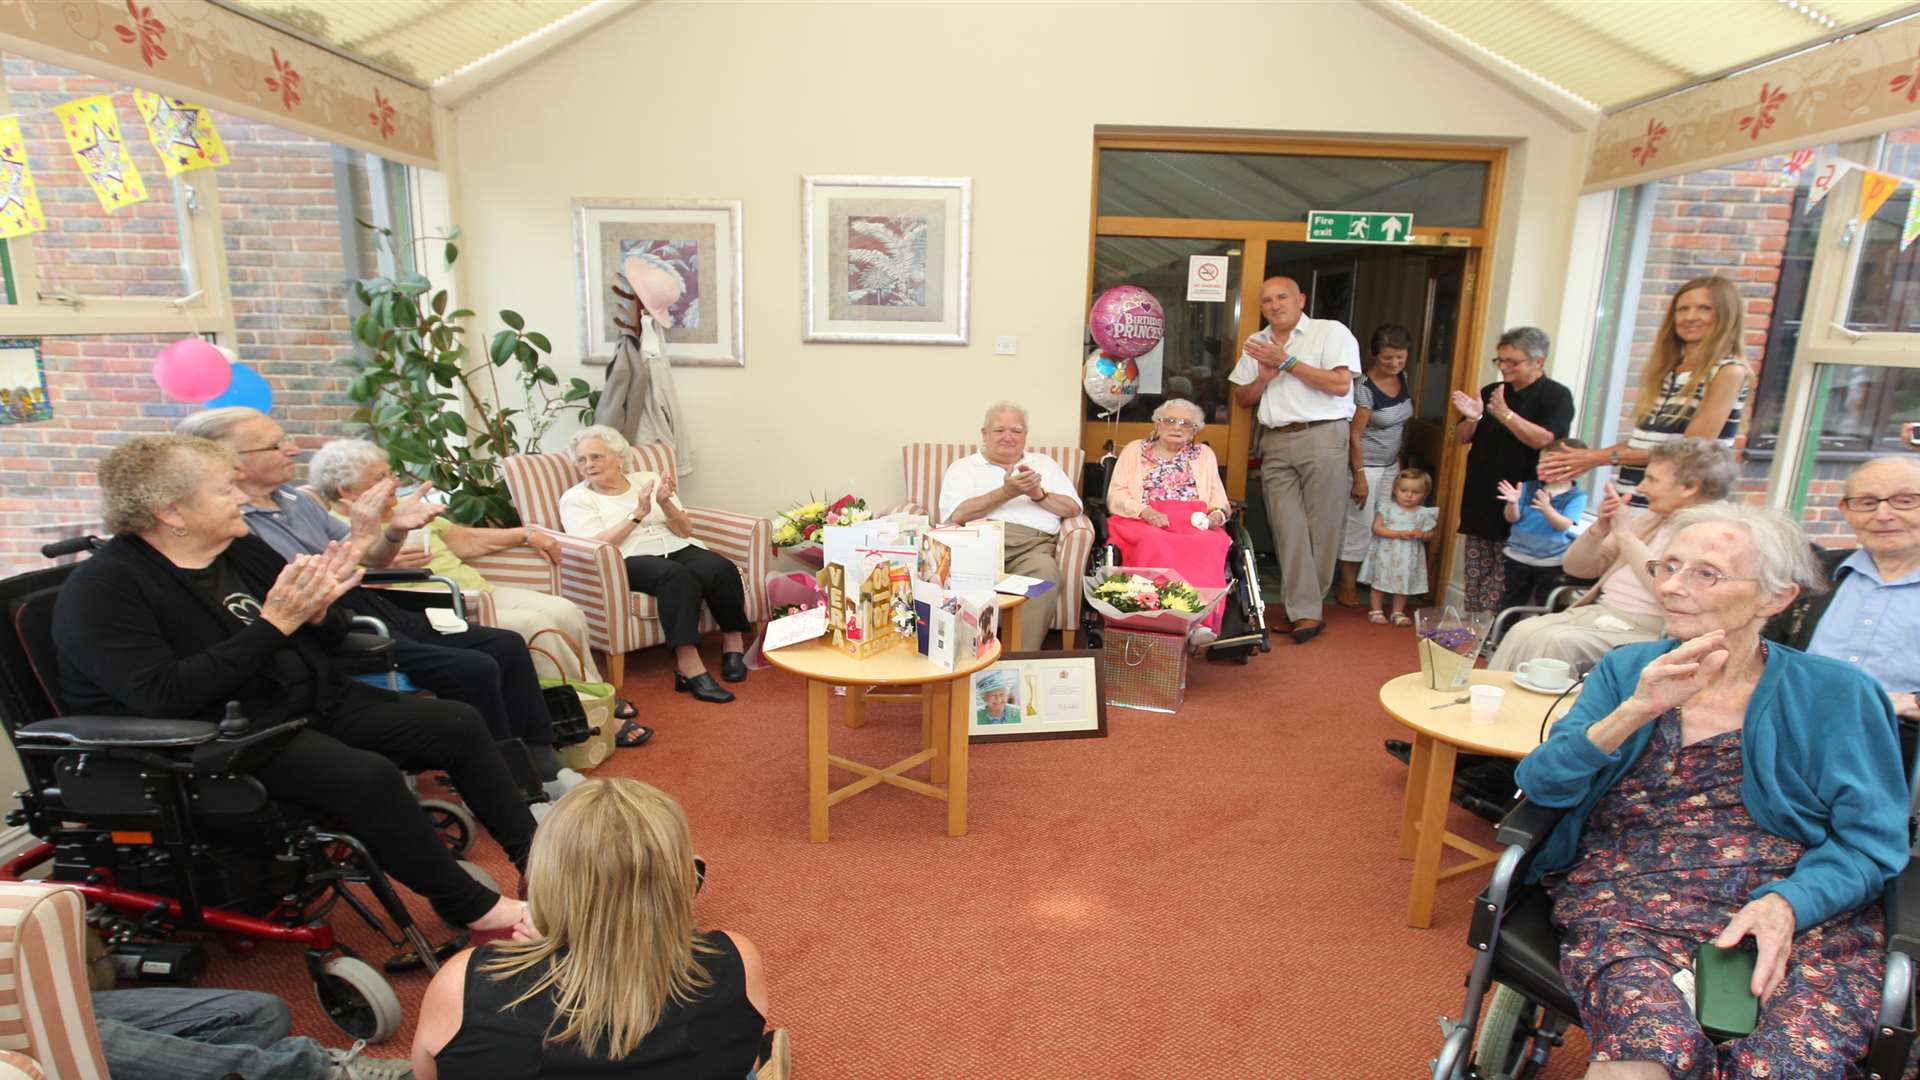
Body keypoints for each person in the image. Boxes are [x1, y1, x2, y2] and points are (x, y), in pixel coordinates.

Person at [52, 435, 536, 942]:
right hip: (217, 738)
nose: (241, 498)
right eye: (225, 490)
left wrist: (321, 610)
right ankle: (470, 905)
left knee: (456, 722)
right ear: (171, 511)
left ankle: (544, 866)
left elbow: (324, 632)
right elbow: (165, 694)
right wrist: (275, 622)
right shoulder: (105, 589)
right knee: (366, 776)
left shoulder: (237, 550)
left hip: (300, 703)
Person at [1514, 503, 1907, 1079]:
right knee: (1643, 1049)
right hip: (1631, 897)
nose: (1672, 586)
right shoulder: (1627, 671)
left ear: (1775, 598)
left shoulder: (1839, 694)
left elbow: (1871, 845)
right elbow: (1540, 784)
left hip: (1796, 904)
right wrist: (1633, 713)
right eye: (1667, 566)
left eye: (1706, 573)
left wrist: (1788, 904)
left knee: (1790, 1060)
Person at [174, 408, 578, 794]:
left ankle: (542, 762)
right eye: (277, 445)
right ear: (231, 460)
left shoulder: (295, 500)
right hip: (335, 628)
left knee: (503, 643)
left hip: (373, 604)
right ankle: (508, 781)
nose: (293, 450)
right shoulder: (232, 528)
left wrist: (393, 531)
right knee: (471, 667)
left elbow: (370, 560)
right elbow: (303, 594)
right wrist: (364, 537)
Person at [413, 779, 785, 1080]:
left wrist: (551, 944)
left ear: (547, 877)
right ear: (680, 879)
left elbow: (428, 1075)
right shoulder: (738, 958)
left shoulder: (460, 983)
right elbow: (738, 1053)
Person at [306, 439, 650, 746]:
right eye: (379, 479)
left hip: (479, 588)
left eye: (390, 473)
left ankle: (591, 696)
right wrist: (380, 563)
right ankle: (580, 717)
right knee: (531, 626)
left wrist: (525, 534)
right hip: (442, 606)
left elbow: (464, 540)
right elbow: (347, 578)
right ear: (347, 492)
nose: (392, 482)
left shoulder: (402, 509)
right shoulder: (336, 526)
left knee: (565, 611)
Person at [1491, 438, 1735, 673]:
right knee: (1521, 631)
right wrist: (1599, 530)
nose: (1641, 487)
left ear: (1689, 488)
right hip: (1603, 613)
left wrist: (1627, 537)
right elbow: (1577, 568)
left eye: (1650, 479)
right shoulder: (1653, 519)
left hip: (1652, 629)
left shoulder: (1712, 536)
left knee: (1555, 642)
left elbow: (1671, 593)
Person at [558, 425, 751, 704]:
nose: (589, 465)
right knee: (677, 577)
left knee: (719, 568)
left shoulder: (646, 479)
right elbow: (595, 546)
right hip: (625, 557)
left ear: (619, 457)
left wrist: (665, 502)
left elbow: (685, 530)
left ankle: (733, 643)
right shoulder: (577, 498)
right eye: (582, 460)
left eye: (596, 457)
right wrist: (637, 514)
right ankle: (689, 666)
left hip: (675, 544)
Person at [1537, 275, 1751, 508]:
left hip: (1680, 509)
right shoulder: (1668, 371)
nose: (1690, 317)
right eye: (1683, 309)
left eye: (1704, 308)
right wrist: (1586, 458)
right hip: (1638, 500)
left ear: (1725, 316)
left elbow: (1688, 451)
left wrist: (1598, 458)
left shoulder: (1729, 371)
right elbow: (1647, 440)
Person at [1228, 275, 1362, 643]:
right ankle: (1304, 610)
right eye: (1267, 300)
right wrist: (1266, 378)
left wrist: (1286, 362)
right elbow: (1242, 398)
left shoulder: (1330, 331)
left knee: (1322, 528)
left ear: (1301, 300)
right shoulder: (1257, 342)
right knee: (1287, 528)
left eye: (1282, 297)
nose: (1275, 305)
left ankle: (1305, 609)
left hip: (1322, 435)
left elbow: (1339, 385)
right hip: (1275, 440)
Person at [937, 402, 1084, 649]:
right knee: (953, 577)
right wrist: (1007, 492)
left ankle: (1018, 661)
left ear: (1025, 435)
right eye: (999, 430)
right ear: (984, 433)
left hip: (1031, 548)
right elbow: (957, 515)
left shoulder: (1044, 464)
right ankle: (963, 661)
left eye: (1016, 431)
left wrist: (1038, 494)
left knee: (1045, 577)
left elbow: (1073, 508)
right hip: (977, 546)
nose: (1008, 437)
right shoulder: (963, 468)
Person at [1452, 326, 1576, 613]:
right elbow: (1461, 437)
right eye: (1500, 361)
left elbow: (1546, 440)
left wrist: (1505, 415)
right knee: (1476, 567)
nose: (1504, 368)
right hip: (1481, 492)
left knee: (1507, 576)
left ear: (1538, 361)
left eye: (1513, 362)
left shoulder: (1555, 396)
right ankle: (1473, 625)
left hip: (1523, 499)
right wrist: (1474, 417)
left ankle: (1492, 631)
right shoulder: (1492, 391)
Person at [1797, 454, 1920, 722]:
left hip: (1898, 744)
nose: (1883, 515)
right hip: (1792, 729)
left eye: (1906, 501)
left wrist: (1913, 704)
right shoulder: (1808, 573)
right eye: (1866, 503)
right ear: (1846, 511)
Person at [1103, 397, 1231, 642]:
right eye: (1170, 421)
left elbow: (1219, 499)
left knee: (1209, 543)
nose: (1177, 427)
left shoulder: (1204, 455)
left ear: (1194, 431)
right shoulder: (1134, 450)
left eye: (1185, 423)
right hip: (1143, 519)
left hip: (1193, 521)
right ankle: (1158, 618)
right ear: (1158, 425)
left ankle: (1198, 622)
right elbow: (1116, 495)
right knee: (1153, 541)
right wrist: (1144, 511)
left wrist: (1217, 515)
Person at [93, 985, 409, 1079]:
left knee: (264, 1012)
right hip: (48, 1037)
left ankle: (193, 1067)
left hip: (68, 999)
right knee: (91, 1039)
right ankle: (315, 1071)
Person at [1338, 324, 1415, 609]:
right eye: (1388, 358)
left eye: (1400, 357)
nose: (1394, 363)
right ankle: (1346, 584)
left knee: (1385, 521)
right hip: (1364, 465)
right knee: (1358, 524)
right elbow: (1354, 436)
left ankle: (1371, 579)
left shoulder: (1403, 379)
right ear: (1374, 356)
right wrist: (1359, 477)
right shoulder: (1364, 388)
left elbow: (1401, 425)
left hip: (1390, 465)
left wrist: (1399, 463)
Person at [1495, 437, 1590, 611]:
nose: (1541, 468)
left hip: (1551, 563)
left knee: (1547, 606)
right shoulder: (1528, 487)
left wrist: (1547, 509)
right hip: (1517, 557)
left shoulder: (1576, 497)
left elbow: (1563, 526)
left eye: (1549, 464)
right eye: (1541, 462)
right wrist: (1512, 503)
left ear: (1574, 470)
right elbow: (1512, 518)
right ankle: (1500, 635)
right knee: (1510, 602)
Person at [1358, 467, 1438, 626]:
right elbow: (1377, 528)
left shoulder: (1423, 513)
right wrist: (1398, 534)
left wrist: (1422, 535)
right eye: (1404, 490)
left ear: (1425, 494)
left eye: (1416, 492)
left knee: (1404, 583)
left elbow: (1430, 534)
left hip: (1408, 556)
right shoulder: (1387, 509)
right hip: (1386, 553)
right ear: (1395, 490)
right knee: (1379, 581)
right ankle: (1376, 610)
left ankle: (1397, 612)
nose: (1409, 495)